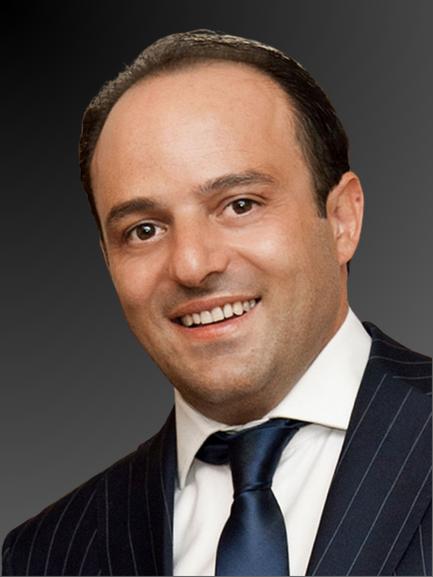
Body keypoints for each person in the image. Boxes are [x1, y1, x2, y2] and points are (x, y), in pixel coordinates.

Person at [2, 30, 431, 577]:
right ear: (108, 261)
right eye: (144, 230)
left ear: (342, 219)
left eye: (240, 204)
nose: (192, 265)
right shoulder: (45, 556)